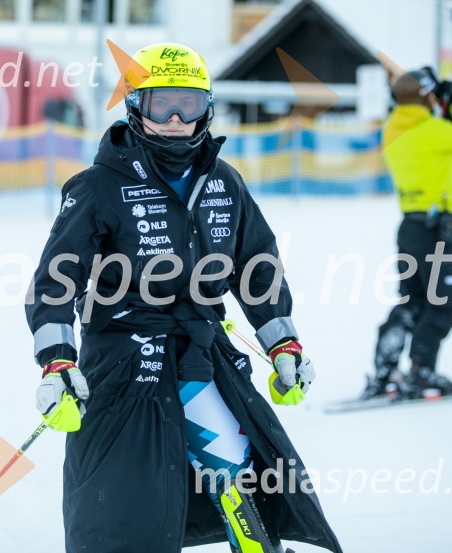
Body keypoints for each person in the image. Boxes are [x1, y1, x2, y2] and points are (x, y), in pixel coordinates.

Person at [25, 43, 342, 553]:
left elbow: (257, 266)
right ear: (135, 106)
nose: (175, 120)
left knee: (236, 462)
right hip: (123, 361)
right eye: (161, 105)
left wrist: (284, 343)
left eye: (188, 106)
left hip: (199, 351)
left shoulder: (224, 183)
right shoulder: (97, 187)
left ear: (207, 108)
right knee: (125, 496)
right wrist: (56, 362)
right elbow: (56, 281)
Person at [361, 68, 452, 400]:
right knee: (445, 302)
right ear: (425, 98)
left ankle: (386, 367)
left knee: (412, 300)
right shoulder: (433, 129)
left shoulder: (391, 130)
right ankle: (421, 369)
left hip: (409, 228)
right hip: (438, 230)